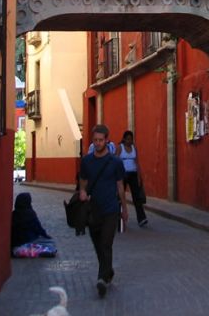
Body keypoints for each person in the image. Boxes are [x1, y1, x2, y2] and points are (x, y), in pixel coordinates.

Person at [79, 124, 127, 298]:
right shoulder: (86, 161)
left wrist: (124, 208)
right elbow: (83, 182)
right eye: (95, 140)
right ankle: (108, 271)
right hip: (93, 211)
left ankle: (101, 279)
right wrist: (83, 192)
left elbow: (120, 187)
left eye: (101, 140)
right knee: (98, 245)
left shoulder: (116, 162)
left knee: (106, 243)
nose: (98, 143)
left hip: (111, 210)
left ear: (107, 140)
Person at [116, 130, 148, 227]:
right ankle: (119, 218)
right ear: (124, 139)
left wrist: (139, 176)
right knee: (120, 197)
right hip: (123, 174)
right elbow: (115, 161)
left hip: (133, 174)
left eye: (131, 139)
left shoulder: (134, 148)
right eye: (128, 139)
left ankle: (141, 218)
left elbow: (137, 162)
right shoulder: (120, 148)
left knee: (137, 197)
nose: (130, 141)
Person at [10, 192, 57, 257]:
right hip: (29, 239)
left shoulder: (14, 214)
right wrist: (46, 236)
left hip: (15, 242)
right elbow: (38, 228)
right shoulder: (31, 214)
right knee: (50, 242)